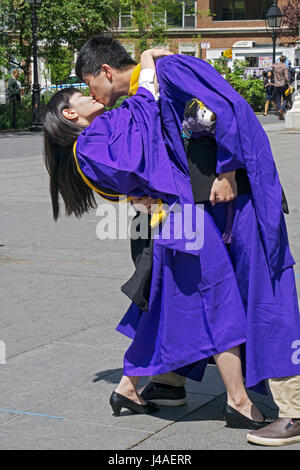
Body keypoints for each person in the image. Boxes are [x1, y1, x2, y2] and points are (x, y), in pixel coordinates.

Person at [74, 36, 300, 445]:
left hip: (242, 198)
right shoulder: (145, 95)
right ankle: (171, 379)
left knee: (266, 291)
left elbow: (230, 108)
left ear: (106, 72)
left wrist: (229, 170)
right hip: (209, 210)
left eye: (91, 87)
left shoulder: (170, 70)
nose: (95, 97)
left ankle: (295, 411)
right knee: (204, 292)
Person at [272, 56, 290, 120]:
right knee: (286, 98)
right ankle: (281, 110)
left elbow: (272, 66)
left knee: (278, 99)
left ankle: (279, 111)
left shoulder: (275, 65)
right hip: (283, 84)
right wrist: (289, 84)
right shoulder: (284, 66)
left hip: (276, 85)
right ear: (284, 60)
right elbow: (286, 76)